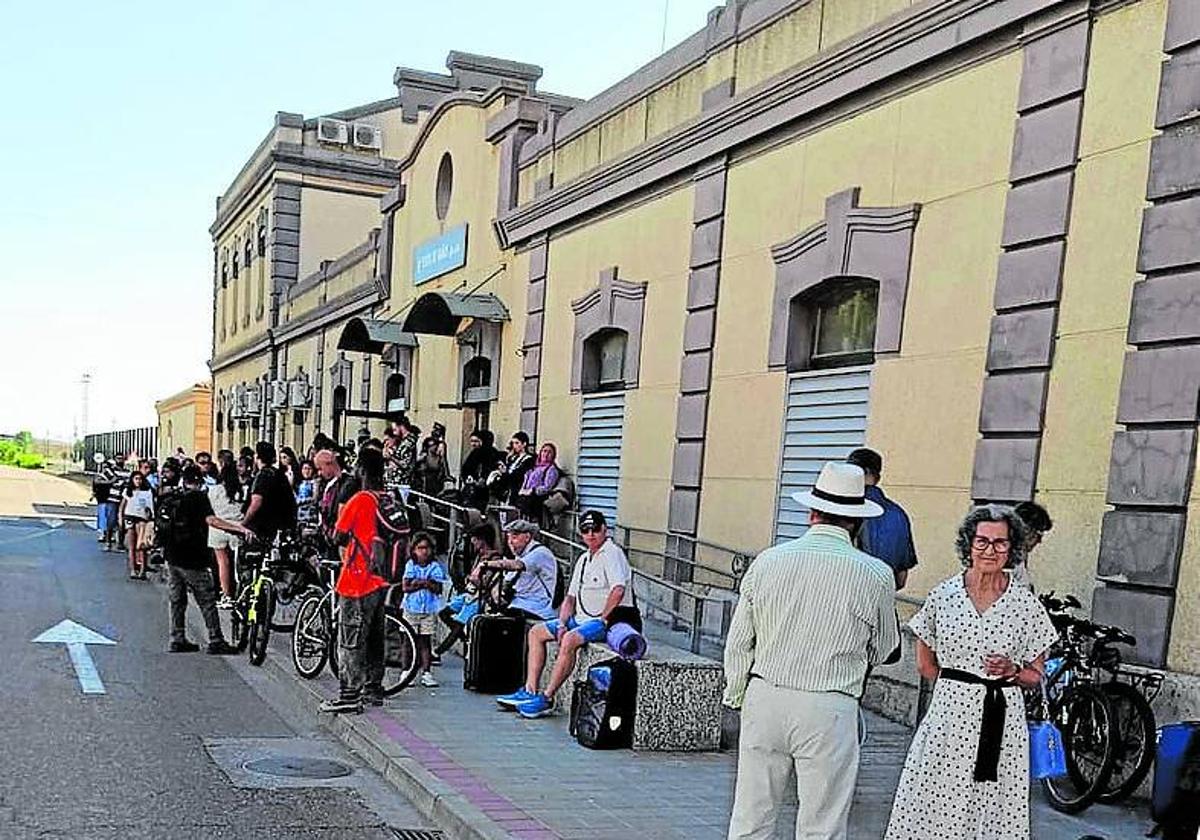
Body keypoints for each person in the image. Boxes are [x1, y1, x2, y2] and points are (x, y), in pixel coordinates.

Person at [724, 461, 899, 840]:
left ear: (812, 512)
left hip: (766, 695)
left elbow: (739, 642)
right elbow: (885, 648)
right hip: (829, 706)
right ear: (858, 521)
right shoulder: (875, 574)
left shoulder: (768, 561)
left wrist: (737, 694)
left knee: (751, 816)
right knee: (822, 823)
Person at [884, 505, 1059, 840]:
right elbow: (925, 664)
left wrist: (1013, 670)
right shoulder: (943, 596)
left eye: (1000, 543)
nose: (989, 550)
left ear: (1013, 549)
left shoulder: (1026, 605)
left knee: (992, 805)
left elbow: (1037, 675)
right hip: (949, 717)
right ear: (968, 545)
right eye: (981, 542)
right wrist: (961, 688)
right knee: (936, 799)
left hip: (1001, 723)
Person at [497, 509, 637, 719]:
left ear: (605, 530)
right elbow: (570, 598)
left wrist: (603, 619)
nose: (590, 534)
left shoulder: (612, 553)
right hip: (579, 618)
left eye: (595, 529)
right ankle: (530, 690)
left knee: (570, 640)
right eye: (585, 530)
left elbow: (618, 590)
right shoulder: (583, 558)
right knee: (536, 632)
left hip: (605, 621)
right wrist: (562, 623)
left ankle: (547, 697)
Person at [320, 448, 391, 714]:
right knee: (374, 638)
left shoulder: (360, 499)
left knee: (350, 639)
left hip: (356, 580)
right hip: (380, 579)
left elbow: (337, 536)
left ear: (361, 470)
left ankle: (349, 694)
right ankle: (374, 689)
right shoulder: (387, 498)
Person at [164, 465, 252, 654]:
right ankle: (215, 639)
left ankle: (177, 638)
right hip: (192, 557)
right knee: (207, 599)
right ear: (200, 481)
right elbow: (212, 521)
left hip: (172, 555)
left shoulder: (175, 496)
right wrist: (239, 529)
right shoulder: (199, 498)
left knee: (177, 599)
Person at [847, 448, 919, 589]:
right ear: (878, 478)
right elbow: (900, 580)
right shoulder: (898, 514)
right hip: (882, 600)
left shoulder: (839, 509)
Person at [435, 523, 504, 656]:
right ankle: (464, 638)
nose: (473, 542)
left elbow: (486, 583)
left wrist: (473, 580)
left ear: (482, 540)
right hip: (468, 593)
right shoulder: (478, 556)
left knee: (460, 622)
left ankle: (439, 651)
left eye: (475, 539)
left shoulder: (494, 559)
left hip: (479, 597)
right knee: (444, 613)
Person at [401, 531, 447, 688]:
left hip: (428, 609)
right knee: (408, 641)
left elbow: (437, 587)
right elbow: (406, 587)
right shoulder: (410, 565)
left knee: (425, 642)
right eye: (420, 548)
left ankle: (426, 673)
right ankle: (407, 671)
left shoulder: (435, 566)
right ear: (414, 550)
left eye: (426, 548)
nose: (424, 551)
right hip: (411, 608)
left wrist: (420, 583)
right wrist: (425, 583)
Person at [241, 441, 298, 544]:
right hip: (283, 525)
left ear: (257, 457)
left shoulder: (262, 476)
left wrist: (244, 523)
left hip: (265, 527)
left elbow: (256, 503)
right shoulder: (280, 474)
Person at [208, 459, 245, 608]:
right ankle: (240, 592)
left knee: (222, 563)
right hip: (238, 528)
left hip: (218, 527)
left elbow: (210, 509)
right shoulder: (241, 490)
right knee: (238, 564)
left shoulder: (214, 490)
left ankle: (226, 594)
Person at [118, 470, 155, 580]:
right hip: (130, 518)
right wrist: (120, 519)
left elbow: (150, 506)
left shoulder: (147, 492)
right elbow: (122, 507)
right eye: (136, 479)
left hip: (142, 519)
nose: (138, 481)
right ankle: (133, 569)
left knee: (142, 546)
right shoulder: (128, 491)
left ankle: (143, 570)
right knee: (131, 546)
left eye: (140, 479)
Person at [1011, 500, 1053, 590]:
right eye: (1039, 535)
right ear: (1027, 530)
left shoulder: (1018, 558)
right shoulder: (1007, 561)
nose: (1040, 541)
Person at [516, 442, 560, 522]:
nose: (546, 454)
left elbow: (547, 487)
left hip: (536, 502)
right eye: (544, 451)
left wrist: (532, 491)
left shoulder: (551, 469)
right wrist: (523, 490)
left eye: (549, 452)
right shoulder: (534, 467)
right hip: (525, 498)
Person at [460, 429, 502, 511]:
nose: (473, 444)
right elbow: (466, 469)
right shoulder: (475, 453)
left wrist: (482, 479)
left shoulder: (490, 453)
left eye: (476, 441)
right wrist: (468, 477)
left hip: (485, 490)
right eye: (472, 441)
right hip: (475, 488)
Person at [493, 431, 534, 507]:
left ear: (524, 444)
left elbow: (518, 475)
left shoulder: (529, 459)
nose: (514, 446)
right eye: (513, 443)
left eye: (517, 443)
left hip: (517, 489)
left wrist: (505, 473)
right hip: (508, 489)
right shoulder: (513, 458)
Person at [92, 458, 114, 544]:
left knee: (110, 517)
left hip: (111, 498)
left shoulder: (112, 475)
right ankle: (102, 533)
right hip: (101, 498)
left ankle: (109, 534)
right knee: (102, 516)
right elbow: (96, 483)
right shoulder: (99, 475)